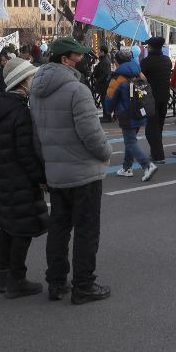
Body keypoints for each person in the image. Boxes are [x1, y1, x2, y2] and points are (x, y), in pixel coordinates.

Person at [29, 36, 112, 305]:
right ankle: (84, 285)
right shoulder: (77, 90)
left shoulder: (36, 91)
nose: (83, 59)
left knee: (59, 228)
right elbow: (92, 135)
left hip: (56, 172)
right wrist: (107, 152)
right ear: (65, 59)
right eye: (78, 55)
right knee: (86, 230)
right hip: (83, 172)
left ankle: (56, 282)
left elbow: (37, 137)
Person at [0, 57, 47, 299]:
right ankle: (17, 280)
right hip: (19, 178)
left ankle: (3, 276)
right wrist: (40, 177)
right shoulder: (20, 112)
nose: (34, 80)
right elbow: (26, 153)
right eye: (31, 77)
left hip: (2, 173)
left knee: (6, 227)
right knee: (22, 229)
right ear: (22, 82)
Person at [104, 48, 158, 181]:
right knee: (131, 140)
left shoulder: (118, 78)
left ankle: (147, 165)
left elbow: (110, 98)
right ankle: (127, 167)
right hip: (140, 110)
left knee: (130, 141)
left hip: (126, 114)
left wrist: (108, 111)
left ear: (117, 62)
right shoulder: (139, 73)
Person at [139, 36, 172, 164]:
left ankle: (159, 155)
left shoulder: (146, 62)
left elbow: (140, 80)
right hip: (164, 96)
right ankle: (155, 152)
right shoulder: (167, 60)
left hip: (151, 98)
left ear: (151, 48)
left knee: (151, 129)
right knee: (159, 126)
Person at [92, 46, 112, 123]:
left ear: (103, 52)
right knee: (103, 100)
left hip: (104, 85)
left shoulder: (105, 61)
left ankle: (107, 117)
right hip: (103, 84)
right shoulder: (103, 60)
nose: (98, 52)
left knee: (105, 100)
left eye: (99, 51)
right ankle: (105, 116)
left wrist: (98, 81)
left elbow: (105, 74)